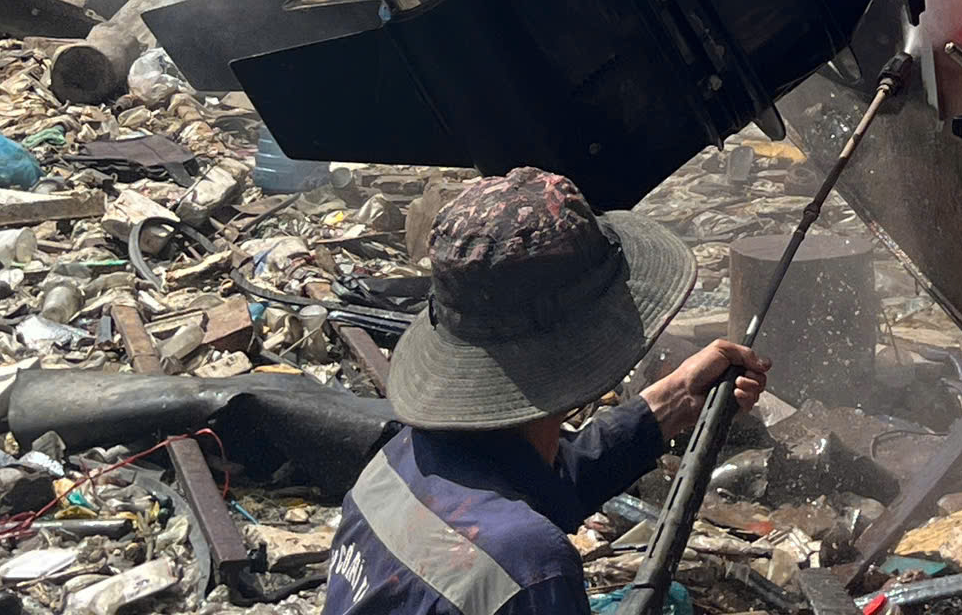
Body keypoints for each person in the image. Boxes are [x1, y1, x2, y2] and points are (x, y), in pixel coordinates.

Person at [323, 168, 768, 615]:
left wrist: (673, 401)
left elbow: (535, 482)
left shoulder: (397, 460)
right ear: (583, 341)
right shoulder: (531, 570)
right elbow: (520, 538)